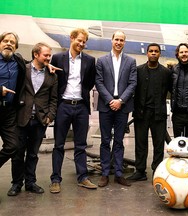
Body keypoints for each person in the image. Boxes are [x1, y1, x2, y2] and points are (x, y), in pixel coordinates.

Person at [49, 28, 97, 193]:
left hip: (82, 107)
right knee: (59, 145)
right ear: (72, 38)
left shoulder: (90, 61)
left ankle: (82, 177)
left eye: (84, 42)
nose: (82, 44)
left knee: (81, 145)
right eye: (79, 40)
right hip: (63, 105)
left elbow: (89, 82)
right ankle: (55, 179)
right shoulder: (57, 58)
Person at [7, 42, 58, 196]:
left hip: (40, 120)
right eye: (46, 55)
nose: (49, 58)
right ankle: (16, 183)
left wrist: (50, 116)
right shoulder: (24, 70)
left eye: (50, 55)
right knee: (17, 154)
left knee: (33, 154)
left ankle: (30, 182)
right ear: (36, 54)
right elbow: (15, 56)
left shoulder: (52, 75)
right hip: (22, 118)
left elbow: (54, 99)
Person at [96, 30, 137, 187]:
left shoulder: (131, 61)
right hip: (106, 107)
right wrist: (110, 100)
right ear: (111, 40)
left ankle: (118, 174)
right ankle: (105, 173)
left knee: (119, 141)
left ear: (124, 42)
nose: (119, 42)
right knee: (105, 141)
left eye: (122, 40)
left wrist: (120, 100)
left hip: (123, 106)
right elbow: (99, 82)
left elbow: (133, 83)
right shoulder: (101, 61)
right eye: (116, 39)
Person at [127, 43, 172, 181]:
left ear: (159, 54)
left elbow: (171, 91)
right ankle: (140, 171)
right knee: (140, 143)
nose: (153, 53)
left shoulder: (166, 73)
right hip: (141, 113)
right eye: (151, 51)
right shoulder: (138, 70)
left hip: (158, 113)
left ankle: (157, 171)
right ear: (147, 53)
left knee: (158, 144)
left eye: (156, 51)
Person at [170, 43, 188, 162]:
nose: (184, 54)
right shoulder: (174, 70)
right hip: (177, 113)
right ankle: (179, 169)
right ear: (178, 54)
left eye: (186, 52)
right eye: (181, 52)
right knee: (178, 144)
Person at [0, 32, 26, 170]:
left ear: (16, 47)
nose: (9, 44)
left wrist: (46, 65)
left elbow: (31, 66)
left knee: (12, 146)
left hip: (9, 112)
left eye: (12, 42)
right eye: (5, 41)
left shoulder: (18, 60)